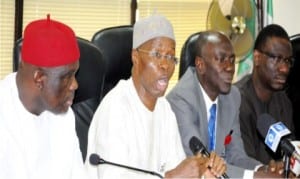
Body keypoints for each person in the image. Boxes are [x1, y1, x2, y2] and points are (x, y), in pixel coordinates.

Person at [85, 14, 226, 179]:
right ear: (135, 57)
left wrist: (203, 174)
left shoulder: (164, 109)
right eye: (157, 55)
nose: (165, 65)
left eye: (170, 57)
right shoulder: (116, 108)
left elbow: (176, 169)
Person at [167, 30, 284, 178]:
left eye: (231, 59)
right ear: (200, 64)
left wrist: (263, 169)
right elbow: (202, 163)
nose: (229, 67)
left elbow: (235, 155)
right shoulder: (180, 99)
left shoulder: (232, 97)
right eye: (221, 59)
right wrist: (256, 177)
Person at [0, 15, 87, 179]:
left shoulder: (64, 114)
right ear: (39, 78)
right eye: (67, 76)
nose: (74, 84)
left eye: (74, 74)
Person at [235, 24, 295, 164]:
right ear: (257, 58)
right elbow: (242, 162)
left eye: (287, 61)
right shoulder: (236, 101)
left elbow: (291, 154)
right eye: (276, 59)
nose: (285, 69)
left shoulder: (284, 101)